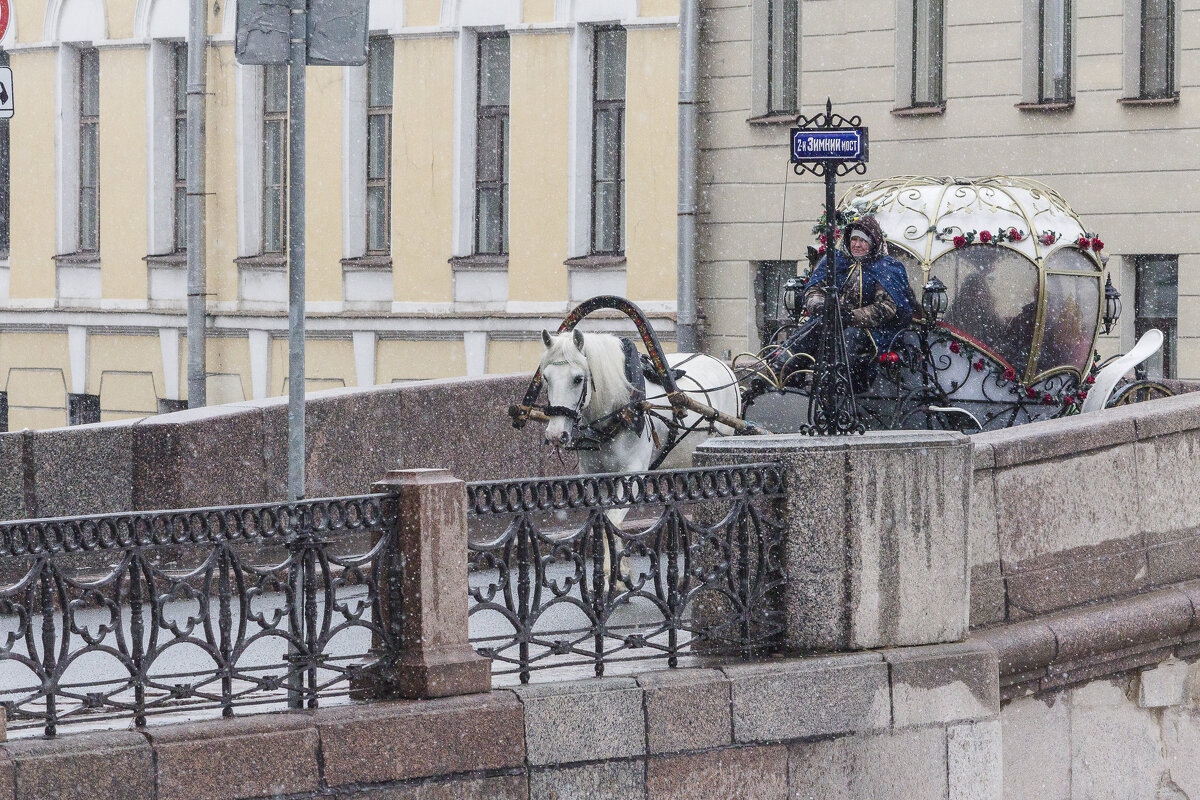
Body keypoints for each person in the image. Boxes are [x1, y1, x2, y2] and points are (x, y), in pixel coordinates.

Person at [771, 215, 915, 390]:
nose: (856, 244)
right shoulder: (836, 261)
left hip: (871, 329)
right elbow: (813, 289)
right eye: (854, 239)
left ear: (873, 243)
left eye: (862, 241)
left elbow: (887, 307)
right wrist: (820, 306)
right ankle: (780, 372)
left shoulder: (885, 267)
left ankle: (837, 386)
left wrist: (851, 317)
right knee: (810, 331)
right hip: (832, 320)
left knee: (849, 337)